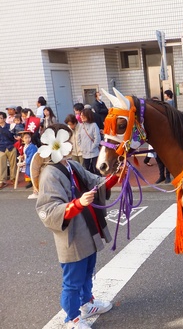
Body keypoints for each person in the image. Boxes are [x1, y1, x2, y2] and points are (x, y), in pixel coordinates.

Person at [35, 123, 117, 328]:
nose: (71, 145)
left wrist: (115, 177)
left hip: (87, 228)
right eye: (67, 141)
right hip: (71, 233)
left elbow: (94, 181)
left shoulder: (72, 165)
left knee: (88, 270)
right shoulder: (49, 174)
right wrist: (79, 203)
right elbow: (48, 208)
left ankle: (86, 303)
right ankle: (71, 318)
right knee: (72, 280)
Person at [78, 108, 101, 175]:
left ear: (88, 116)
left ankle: (99, 182)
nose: (81, 117)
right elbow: (78, 138)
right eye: (81, 115)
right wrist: (81, 147)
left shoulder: (94, 125)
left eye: (83, 115)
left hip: (94, 152)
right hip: (84, 152)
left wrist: (93, 147)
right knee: (87, 169)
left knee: (96, 168)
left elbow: (97, 138)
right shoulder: (81, 126)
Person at [16, 131, 38, 199]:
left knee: (34, 179)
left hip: (32, 164)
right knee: (32, 178)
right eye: (25, 138)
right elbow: (27, 155)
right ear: (22, 139)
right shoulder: (26, 146)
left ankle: (36, 192)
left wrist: (23, 163)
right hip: (29, 164)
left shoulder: (32, 147)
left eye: (29, 137)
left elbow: (31, 157)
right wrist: (22, 157)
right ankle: (35, 192)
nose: (27, 139)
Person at [0, 112, 16, 189]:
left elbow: (14, 136)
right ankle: (2, 180)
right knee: (1, 164)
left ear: (4, 119)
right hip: (1, 148)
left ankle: (13, 178)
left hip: (10, 146)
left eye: (1, 118)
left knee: (13, 163)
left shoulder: (10, 126)